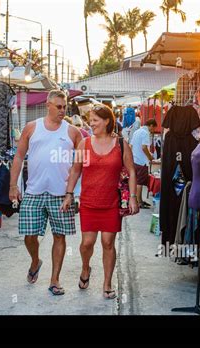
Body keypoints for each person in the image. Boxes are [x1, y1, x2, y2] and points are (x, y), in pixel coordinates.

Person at [9, 89, 83, 296]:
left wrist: (74, 193)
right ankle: (35, 260)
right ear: (48, 105)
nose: (62, 110)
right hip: (34, 191)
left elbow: (81, 164)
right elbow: (18, 157)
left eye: (64, 106)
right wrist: (13, 186)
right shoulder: (32, 128)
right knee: (29, 234)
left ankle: (54, 280)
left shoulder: (73, 132)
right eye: (58, 106)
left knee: (60, 236)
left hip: (62, 194)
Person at [61, 104, 139, 299]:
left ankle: (107, 284)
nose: (91, 124)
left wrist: (133, 197)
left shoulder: (121, 144)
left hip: (111, 202)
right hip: (88, 202)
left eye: (95, 120)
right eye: (91, 120)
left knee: (107, 242)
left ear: (107, 121)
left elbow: (131, 171)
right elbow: (76, 170)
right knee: (87, 243)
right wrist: (69, 194)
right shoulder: (84, 144)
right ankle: (86, 268)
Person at [130, 119, 157, 209]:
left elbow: (131, 146)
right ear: (151, 125)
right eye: (153, 128)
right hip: (141, 161)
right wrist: (150, 157)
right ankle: (139, 202)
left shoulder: (137, 132)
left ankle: (139, 200)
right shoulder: (145, 133)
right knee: (140, 182)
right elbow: (144, 147)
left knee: (137, 181)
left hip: (135, 159)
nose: (153, 131)